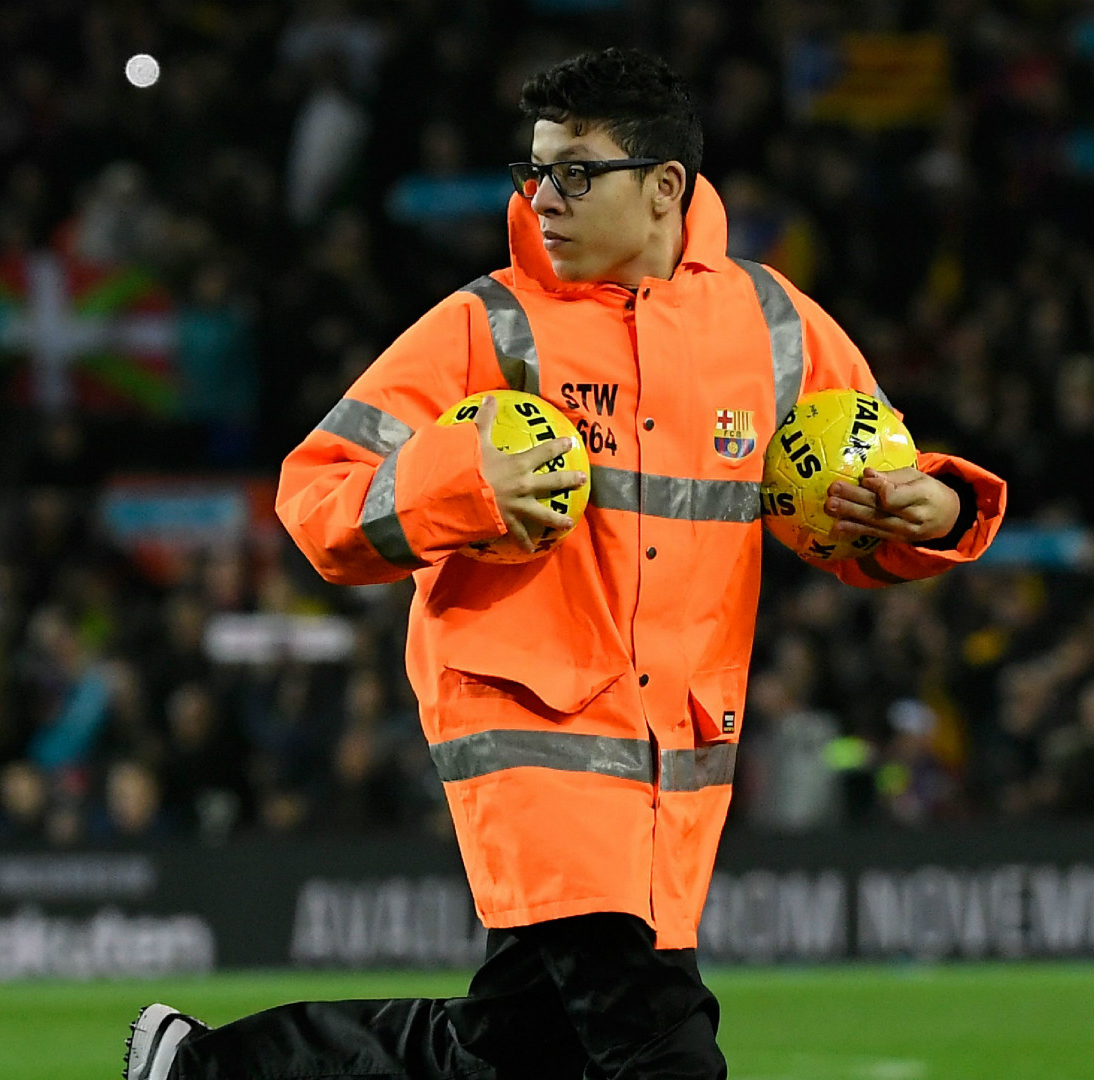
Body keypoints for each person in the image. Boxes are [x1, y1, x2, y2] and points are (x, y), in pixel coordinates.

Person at [126, 48, 1006, 1080]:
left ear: (665, 187)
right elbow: (316, 497)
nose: (544, 197)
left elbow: (863, 502)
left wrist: (933, 504)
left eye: (576, 172)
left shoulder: (773, 327)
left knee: (511, 1053)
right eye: (535, 169)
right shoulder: (486, 324)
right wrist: (457, 484)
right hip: (526, 733)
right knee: (660, 1046)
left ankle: (199, 1071)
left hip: (676, 754)